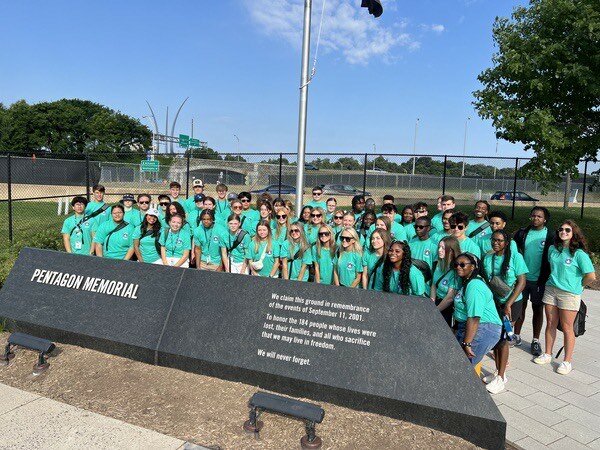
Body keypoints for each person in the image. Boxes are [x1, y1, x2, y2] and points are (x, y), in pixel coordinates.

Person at [534, 220, 596, 375]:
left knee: (567, 328)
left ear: (574, 233)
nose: (563, 232)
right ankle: (547, 354)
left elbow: (591, 276)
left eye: (567, 230)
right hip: (551, 290)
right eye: (561, 229)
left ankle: (566, 361)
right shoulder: (553, 249)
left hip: (569, 294)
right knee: (550, 323)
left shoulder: (579, 254)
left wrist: (579, 285)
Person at [483, 230, 528, 393]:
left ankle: (501, 377)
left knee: (503, 339)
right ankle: (497, 371)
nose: (496, 243)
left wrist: (508, 303)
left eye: (500, 241)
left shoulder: (516, 257)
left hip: (512, 302)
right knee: (496, 338)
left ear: (507, 242)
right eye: (493, 240)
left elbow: (521, 282)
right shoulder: (488, 257)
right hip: (495, 303)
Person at [513, 207, 554, 355]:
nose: (536, 218)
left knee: (537, 310)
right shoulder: (522, 233)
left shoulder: (551, 236)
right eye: (533, 216)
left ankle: (535, 340)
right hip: (522, 279)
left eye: (539, 216)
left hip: (539, 281)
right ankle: (516, 335)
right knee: (519, 308)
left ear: (545, 219)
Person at [453, 252, 502, 366]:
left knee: (462, 367)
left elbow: (474, 317)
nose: (458, 267)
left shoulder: (474, 285)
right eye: (456, 265)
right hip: (473, 327)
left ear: (473, 266)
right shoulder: (468, 282)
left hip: (483, 328)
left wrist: (467, 343)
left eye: (462, 264)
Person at [432, 236, 461, 326]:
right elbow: (434, 284)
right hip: (436, 301)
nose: (439, 250)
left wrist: (435, 310)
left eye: (443, 248)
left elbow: (450, 297)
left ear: (451, 251)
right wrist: (432, 302)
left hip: (447, 308)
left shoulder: (456, 270)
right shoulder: (439, 263)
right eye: (439, 247)